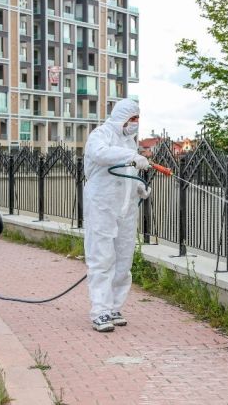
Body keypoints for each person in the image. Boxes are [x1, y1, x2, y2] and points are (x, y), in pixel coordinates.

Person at [83, 98, 151, 332]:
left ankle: (113, 307)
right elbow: (101, 154)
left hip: (125, 208)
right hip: (102, 206)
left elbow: (125, 172)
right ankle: (100, 311)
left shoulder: (129, 141)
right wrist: (131, 157)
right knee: (102, 258)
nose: (135, 123)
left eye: (138, 119)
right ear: (121, 117)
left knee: (123, 259)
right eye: (132, 118)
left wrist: (138, 186)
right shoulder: (100, 135)